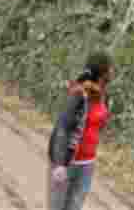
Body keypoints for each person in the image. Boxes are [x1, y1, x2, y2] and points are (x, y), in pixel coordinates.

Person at [47, 50, 115, 210]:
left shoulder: (105, 97)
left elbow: (99, 125)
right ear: (102, 70)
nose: (113, 72)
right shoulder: (80, 93)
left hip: (87, 163)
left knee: (75, 207)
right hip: (67, 161)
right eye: (111, 68)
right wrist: (59, 163)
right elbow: (63, 126)